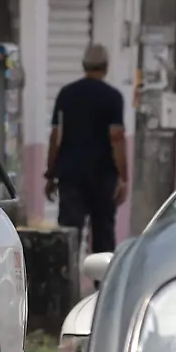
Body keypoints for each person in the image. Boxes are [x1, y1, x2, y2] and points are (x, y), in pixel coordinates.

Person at [45, 44, 128, 254]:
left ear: (83, 65)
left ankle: (65, 280)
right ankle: (103, 283)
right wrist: (123, 177)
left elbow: (56, 136)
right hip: (104, 176)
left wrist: (50, 174)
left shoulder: (66, 94)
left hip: (71, 175)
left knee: (70, 233)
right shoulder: (113, 97)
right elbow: (116, 138)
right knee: (103, 234)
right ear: (106, 67)